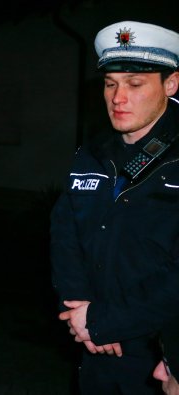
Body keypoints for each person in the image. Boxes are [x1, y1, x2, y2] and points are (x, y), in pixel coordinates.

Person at [51, 20, 179, 394]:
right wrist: (81, 313)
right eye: (111, 84)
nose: (118, 98)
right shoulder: (92, 152)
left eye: (135, 84)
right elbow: (65, 232)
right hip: (93, 343)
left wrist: (106, 321)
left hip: (160, 354)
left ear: (171, 84)